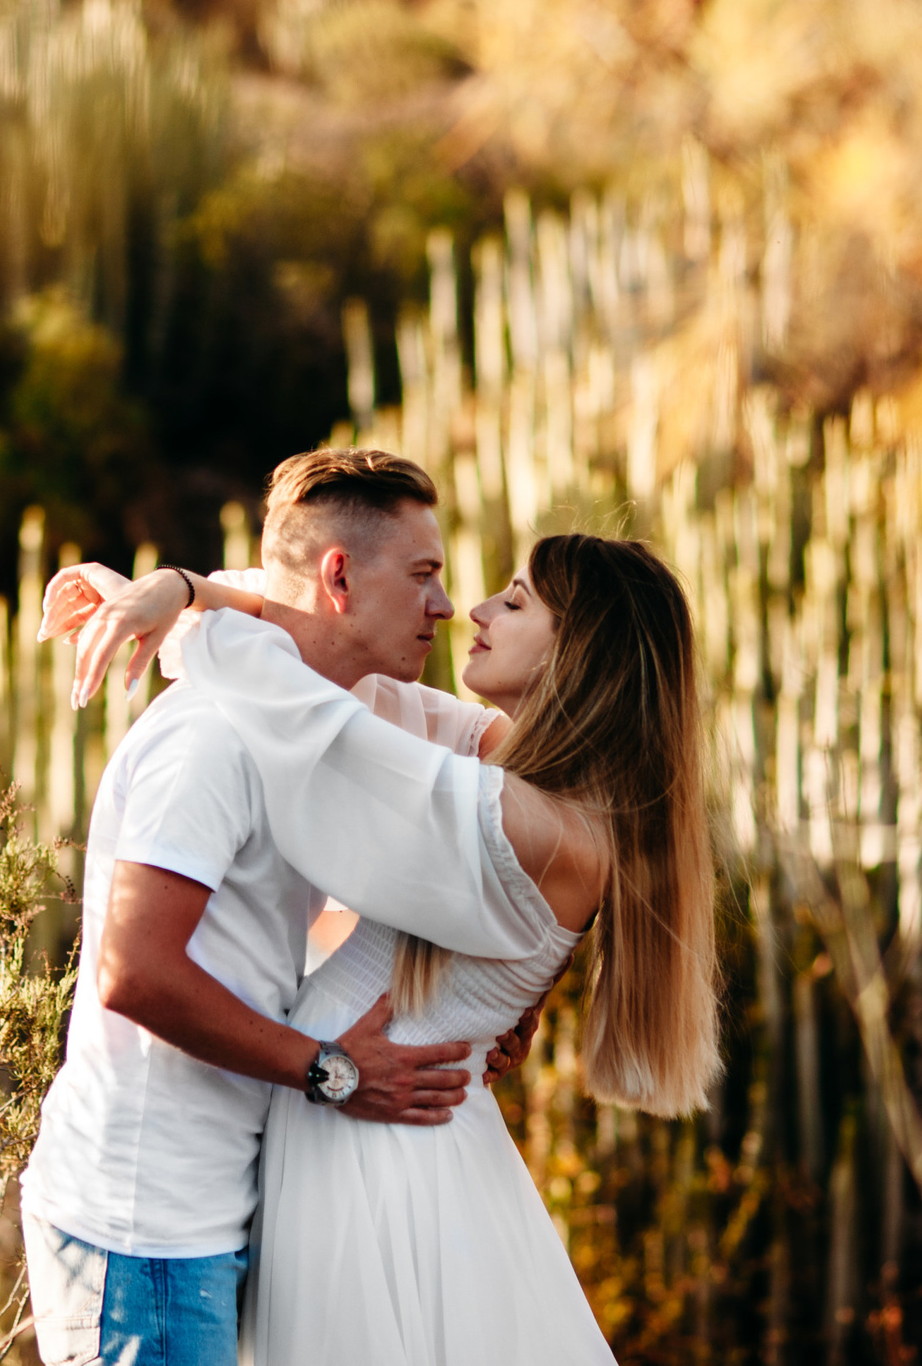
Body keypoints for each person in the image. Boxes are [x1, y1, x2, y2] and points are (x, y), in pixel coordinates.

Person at [52, 531, 722, 1366]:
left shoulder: (528, 822)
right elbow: (341, 671)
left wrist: (189, 611)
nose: (474, 610)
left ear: (578, 657)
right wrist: (182, 588)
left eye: (514, 602)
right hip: (376, 1138)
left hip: (376, 1167)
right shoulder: (527, 777)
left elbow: (311, 712)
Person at [16, 449, 557, 1366]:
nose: (444, 604)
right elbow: (132, 972)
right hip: (141, 1227)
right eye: (423, 575)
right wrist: (338, 1071)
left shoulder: (336, 713)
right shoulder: (217, 738)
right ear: (340, 577)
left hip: (210, 1211)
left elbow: (526, 798)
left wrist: (503, 994)